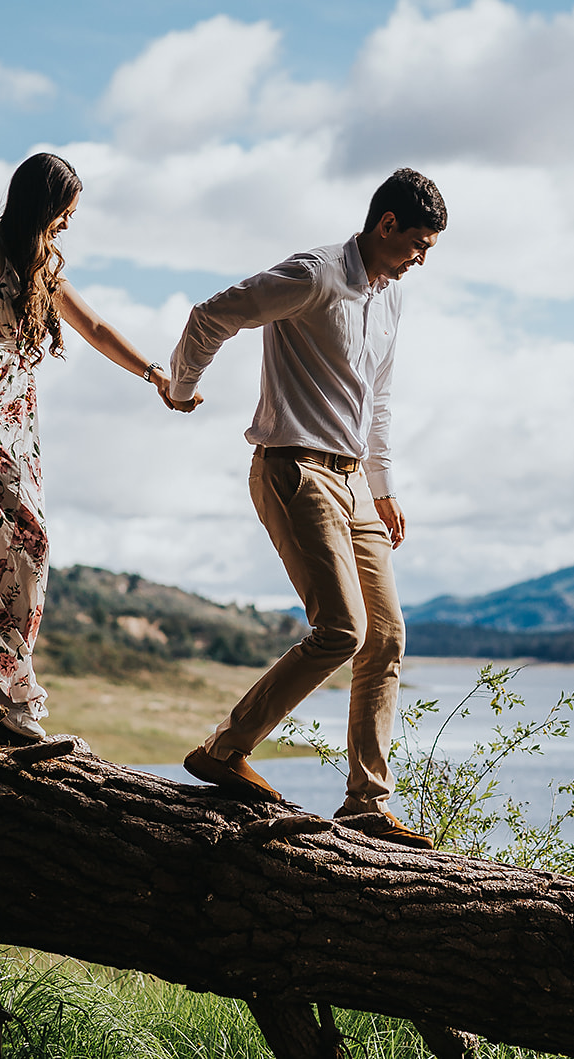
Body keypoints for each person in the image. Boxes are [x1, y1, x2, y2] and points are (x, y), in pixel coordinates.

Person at [166, 167, 446, 849]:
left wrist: (381, 484)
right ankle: (226, 747)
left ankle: (364, 804)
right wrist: (181, 385)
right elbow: (213, 314)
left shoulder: (390, 297)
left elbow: (377, 396)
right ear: (386, 226)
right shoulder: (315, 275)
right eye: (417, 245)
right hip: (294, 470)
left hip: (353, 483)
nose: (420, 261)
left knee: (386, 636)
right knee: (342, 629)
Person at [0, 152, 184, 740]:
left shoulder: (43, 261)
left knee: (30, 543)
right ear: (41, 203)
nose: (70, 223)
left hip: (18, 415)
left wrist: (156, 374)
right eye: (65, 212)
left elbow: (95, 328)